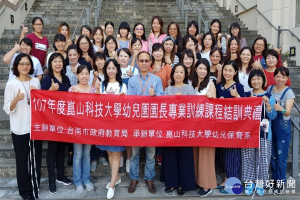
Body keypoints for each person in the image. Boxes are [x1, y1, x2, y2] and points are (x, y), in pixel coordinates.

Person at [3, 53, 42, 200]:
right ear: (16, 66)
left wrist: (34, 96)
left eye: (27, 64)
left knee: (35, 160)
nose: (25, 67)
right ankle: (24, 191)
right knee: (21, 161)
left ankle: (35, 187)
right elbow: (7, 108)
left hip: (34, 128)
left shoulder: (36, 82)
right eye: (22, 64)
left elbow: (40, 106)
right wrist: (16, 99)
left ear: (31, 66)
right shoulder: (12, 84)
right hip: (19, 128)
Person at [127, 51, 164, 194]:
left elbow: (162, 98)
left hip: (151, 122)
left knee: (150, 153)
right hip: (136, 122)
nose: (143, 63)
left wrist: (155, 95)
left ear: (150, 63)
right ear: (137, 62)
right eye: (141, 61)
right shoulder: (132, 81)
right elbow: (129, 102)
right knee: (135, 153)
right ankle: (134, 178)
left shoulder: (156, 80)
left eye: (146, 61)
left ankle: (149, 178)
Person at [160, 63, 196, 196]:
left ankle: (184, 184)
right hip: (170, 129)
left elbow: (194, 109)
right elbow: (163, 108)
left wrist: (183, 101)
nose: (179, 74)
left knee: (184, 157)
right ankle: (171, 183)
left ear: (185, 75)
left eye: (181, 72)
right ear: (172, 75)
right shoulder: (168, 90)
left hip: (185, 130)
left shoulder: (189, 88)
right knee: (170, 156)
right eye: (176, 72)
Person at [241, 69, 277, 196]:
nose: (256, 81)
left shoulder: (269, 96)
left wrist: (267, 104)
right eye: (253, 79)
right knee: (248, 157)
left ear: (263, 80)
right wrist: (249, 103)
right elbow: (241, 116)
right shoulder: (246, 95)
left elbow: (273, 116)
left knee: (263, 159)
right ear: (250, 81)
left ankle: (261, 183)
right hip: (249, 133)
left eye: (258, 79)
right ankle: (250, 183)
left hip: (265, 133)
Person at [41, 53, 72, 194]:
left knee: (61, 150)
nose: (58, 63)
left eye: (60, 61)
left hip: (64, 120)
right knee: (52, 151)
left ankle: (61, 175)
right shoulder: (48, 79)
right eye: (55, 61)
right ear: (50, 64)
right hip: (52, 120)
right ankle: (52, 181)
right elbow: (42, 99)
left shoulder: (65, 78)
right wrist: (50, 90)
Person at [96, 59, 127, 199]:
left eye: (113, 68)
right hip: (105, 124)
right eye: (109, 68)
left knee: (116, 154)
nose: (111, 70)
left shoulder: (123, 86)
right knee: (109, 153)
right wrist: (97, 90)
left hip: (119, 125)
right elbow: (96, 102)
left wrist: (123, 98)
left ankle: (112, 184)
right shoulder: (102, 85)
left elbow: (128, 106)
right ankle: (117, 177)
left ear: (117, 70)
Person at [216, 60, 245, 194]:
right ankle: (227, 178)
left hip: (235, 127)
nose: (227, 73)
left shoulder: (238, 87)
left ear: (235, 72)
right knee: (224, 154)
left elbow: (245, 107)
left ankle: (232, 184)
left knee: (232, 155)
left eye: (230, 71)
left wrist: (237, 97)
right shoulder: (219, 86)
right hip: (221, 127)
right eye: (225, 70)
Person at [68, 65, 97, 193]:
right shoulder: (72, 89)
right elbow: (68, 109)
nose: (84, 76)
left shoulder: (93, 89)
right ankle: (78, 181)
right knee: (78, 154)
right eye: (82, 74)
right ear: (77, 75)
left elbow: (97, 108)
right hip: (77, 128)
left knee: (86, 154)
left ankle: (86, 179)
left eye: (86, 74)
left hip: (89, 127)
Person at [267, 67, 295, 195]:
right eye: (278, 76)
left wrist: (280, 108)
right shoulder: (270, 89)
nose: (280, 79)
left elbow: (288, 112)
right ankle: (273, 181)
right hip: (270, 125)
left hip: (282, 126)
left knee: (281, 157)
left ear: (287, 78)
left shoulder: (289, 92)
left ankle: (281, 183)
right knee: (272, 156)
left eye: (284, 77)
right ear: (274, 77)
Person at [192, 58, 217, 197]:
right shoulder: (192, 84)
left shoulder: (211, 84)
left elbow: (214, 105)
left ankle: (207, 185)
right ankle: (198, 180)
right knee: (196, 154)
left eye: (205, 69)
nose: (202, 71)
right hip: (193, 126)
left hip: (207, 126)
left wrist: (209, 97)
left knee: (206, 156)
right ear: (196, 69)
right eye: (200, 68)